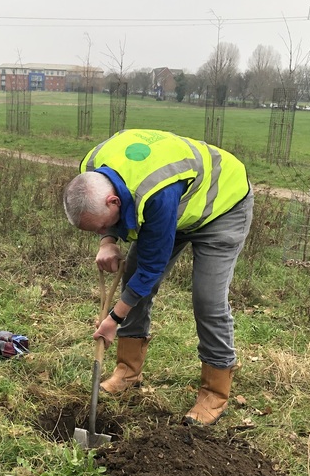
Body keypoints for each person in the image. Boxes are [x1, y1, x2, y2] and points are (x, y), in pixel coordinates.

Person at [63, 129, 253, 426]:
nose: (100, 232)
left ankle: (215, 392)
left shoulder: (155, 192)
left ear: (113, 202)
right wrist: (107, 240)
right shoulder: (92, 167)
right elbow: (132, 260)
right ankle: (128, 371)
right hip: (174, 205)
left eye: (101, 227)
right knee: (132, 283)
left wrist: (113, 319)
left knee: (207, 299)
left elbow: (150, 269)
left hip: (221, 207)